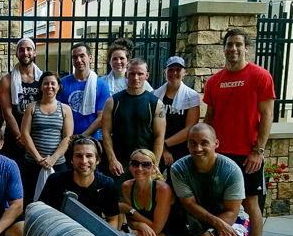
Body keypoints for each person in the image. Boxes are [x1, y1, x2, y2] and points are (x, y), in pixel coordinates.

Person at [203, 29, 275, 236]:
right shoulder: (215, 81)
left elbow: (267, 115)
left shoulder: (260, 76)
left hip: (247, 154)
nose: (233, 49)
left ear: (246, 48)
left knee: (250, 203)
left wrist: (258, 150)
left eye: (238, 44)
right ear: (223, 48)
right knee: (219, 203)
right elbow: (209, 118)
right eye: (229, 44)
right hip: (219, 154)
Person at [119, 149, 189, 236]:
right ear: (130, 166)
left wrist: (131, 211)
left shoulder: (162, 189)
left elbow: (156, 228)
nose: (140, 168)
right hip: (150, 235)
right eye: (135, 164)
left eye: (146, 164)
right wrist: (140, 225)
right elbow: (131, 222)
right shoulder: (127, 186)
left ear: (154, 167)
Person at [101, 58, 166, 193]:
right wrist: (112, 160)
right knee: (119, 200)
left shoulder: (156, 103)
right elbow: (106, 133)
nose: (136, 78)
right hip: (120, 163)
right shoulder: (113, 102)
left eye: (140, 74)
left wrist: (154, 165)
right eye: (132, 73)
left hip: (145, 162)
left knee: (145, 199)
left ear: (146, 75)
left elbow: (159, 136)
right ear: (126, 75)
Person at [39, 135, 119, 228]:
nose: (84, 161)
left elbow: (113, 219)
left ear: (97, 160)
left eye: (89, 156)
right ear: (71, 159)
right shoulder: (56, 180)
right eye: (78, 156)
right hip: (61, 230)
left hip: (93, 232)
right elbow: (43, 214)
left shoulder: (107, 184)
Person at [20, 71, 73, 207]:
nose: (49, 86)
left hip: (58, 163)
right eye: (46, 83)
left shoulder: (65, 109)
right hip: (33, 163)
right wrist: (39, 158)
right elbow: (25, 134)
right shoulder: (32, 107)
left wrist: (53, 159)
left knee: (58, 200)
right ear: (41, 86)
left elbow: (68, 137)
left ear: (58, 86)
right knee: (31, 200)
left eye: (53, 83)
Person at [152, 56, 200, 182]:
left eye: (178, 70)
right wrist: (162, 148)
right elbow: (151, 124)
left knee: (177, 184)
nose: (174, 73)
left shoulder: (191, 96)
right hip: (157, 146)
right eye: (171, 69)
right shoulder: (155, 95)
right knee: (152, 182)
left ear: (184, 72)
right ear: (165, 72)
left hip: (180, 149)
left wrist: (165, 144)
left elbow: (189, 128)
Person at [0, 38, 42, 169]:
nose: (25, 53)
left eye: (29, 49)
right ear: (17, 53)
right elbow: (7, 112)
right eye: (21, 50)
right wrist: (20, 137)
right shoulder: (6, 80)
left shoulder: (43, 79)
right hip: (14, 137)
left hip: (37, 136)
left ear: (34, 52)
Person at [59, 43, 110, 139]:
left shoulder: (101, 85)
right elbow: (57, 113)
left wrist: (83, 136)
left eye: (82, 56)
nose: (78, 60)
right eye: (75, 57)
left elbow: (101, 117)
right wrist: (68, 137)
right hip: (66, 139)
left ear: (90, 58)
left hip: (92, 139)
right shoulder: (63, 83)